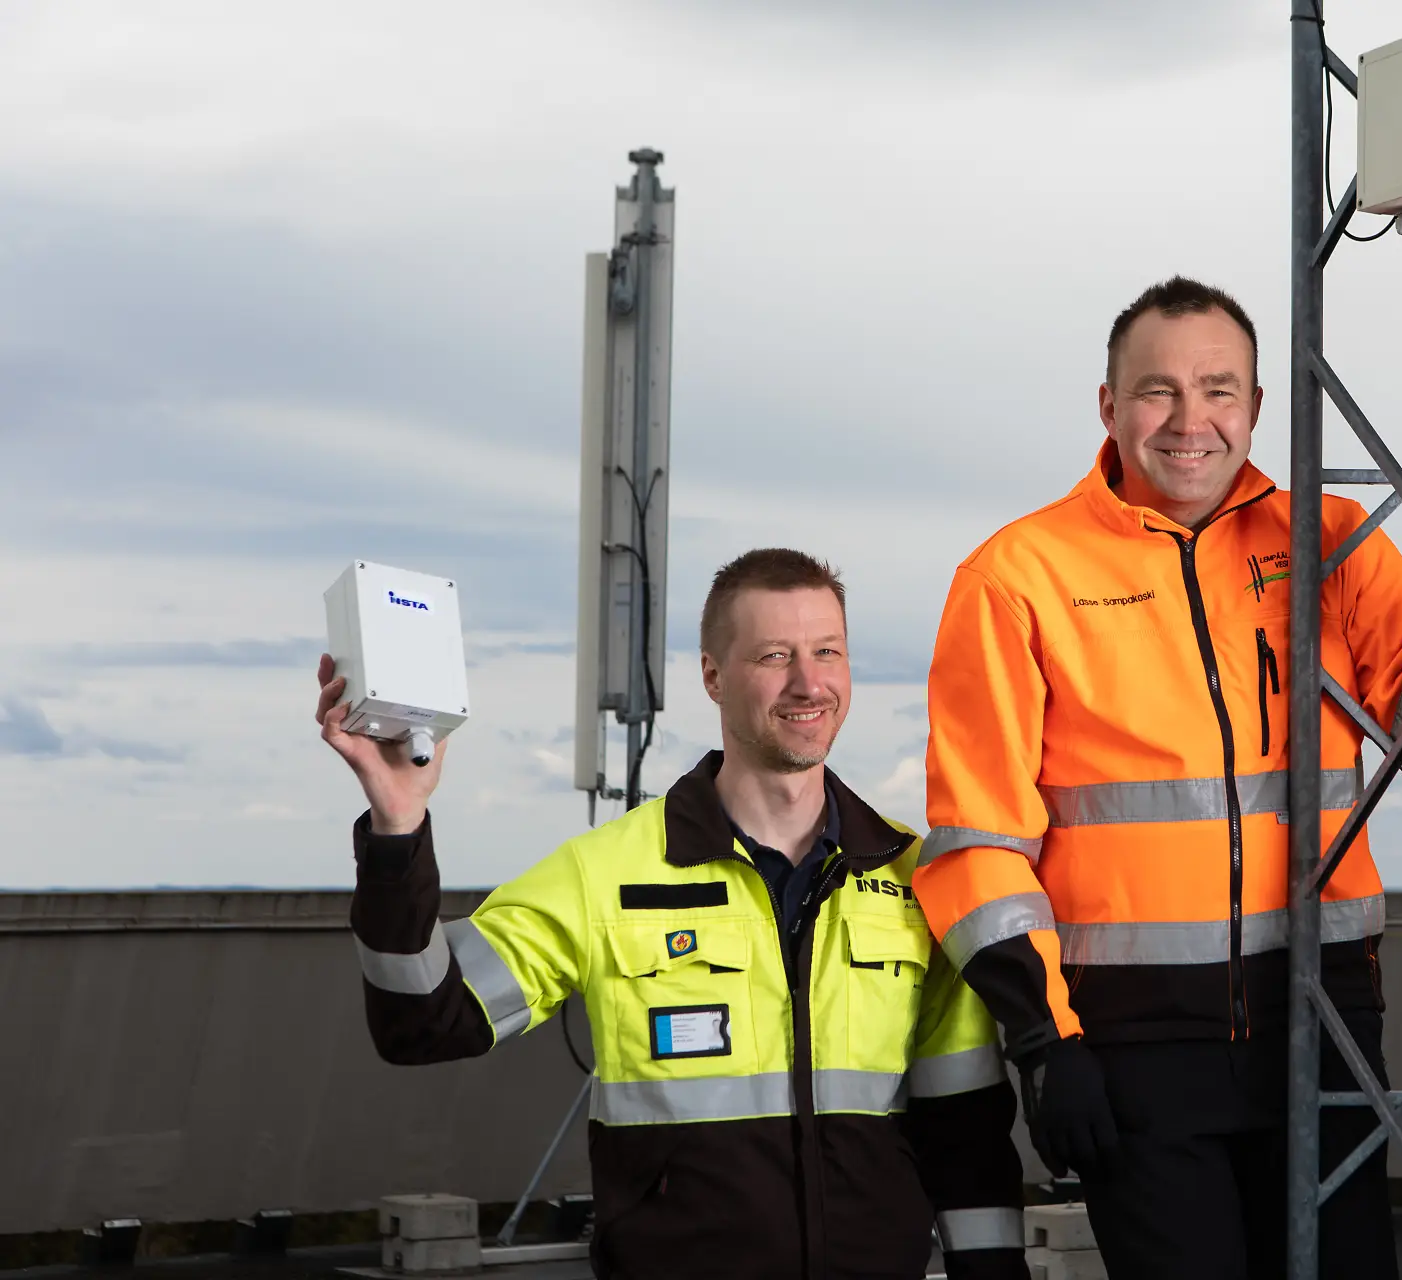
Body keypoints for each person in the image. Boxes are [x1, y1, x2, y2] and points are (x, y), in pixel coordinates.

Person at [912, 278, 1402, 1279]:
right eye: (1157, 391)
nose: (1191, 420)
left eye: (1219, 388)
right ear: (1109, 408)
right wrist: (1045, 1040)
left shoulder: (1334, 545)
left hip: (1326, 1017)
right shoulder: (1017, 574)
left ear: (1254, 406)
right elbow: (980, 841)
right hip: (1132, 1040)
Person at [320, 548, 1026, 1280]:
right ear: (713, 676)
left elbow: (965, 1125)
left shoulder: (916, 877)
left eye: (827, 652)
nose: (807, 682)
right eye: (774, 656)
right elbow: (422, 1023)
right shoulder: (606, 873)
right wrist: (397, 828)